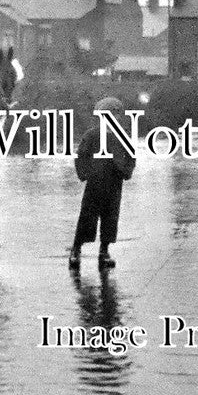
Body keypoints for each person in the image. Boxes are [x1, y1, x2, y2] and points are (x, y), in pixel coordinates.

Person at [70, 96, 136, 272]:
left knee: (110, 217)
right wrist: (84, 174)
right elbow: (81, 156)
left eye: (116, 114)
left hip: (115, 180)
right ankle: (76, 250)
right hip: (95, 181)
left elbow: (131, 156)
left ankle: (104, 251)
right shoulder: (91, 135)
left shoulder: (123, 136)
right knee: (87, 217)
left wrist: (126, 171)